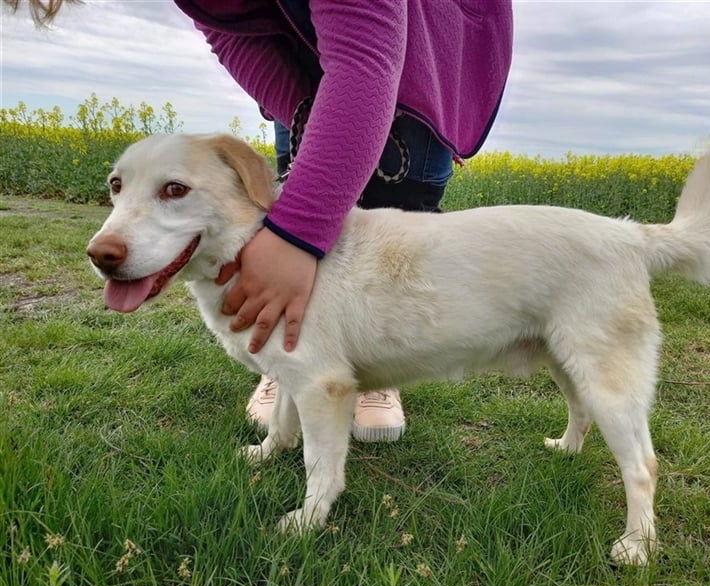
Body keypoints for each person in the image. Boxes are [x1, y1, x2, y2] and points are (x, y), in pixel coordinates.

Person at [9, 0, 513, 442]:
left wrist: (296, 237)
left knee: (399, 212)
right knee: (303, 185)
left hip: (424, 57)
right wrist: (310, 115)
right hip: (305, 50)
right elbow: (229, 30)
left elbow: (365, 54)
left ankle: (381, 370)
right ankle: (289, 350)